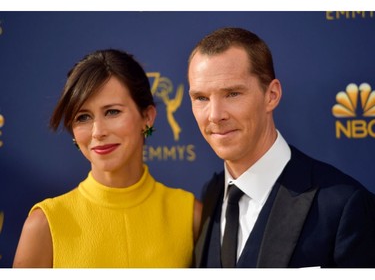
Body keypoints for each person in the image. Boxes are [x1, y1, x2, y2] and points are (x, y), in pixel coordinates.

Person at [187, 27, 375, 268]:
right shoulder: (211, 194)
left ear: (271, 95)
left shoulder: (344, 206)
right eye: (201, 98)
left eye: (232, 94)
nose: (215, 115)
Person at [13, 49, 202, 268]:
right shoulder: (45, 224)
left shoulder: (190, 215)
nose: (97, 132)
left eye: (112, 112)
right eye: (83, 117)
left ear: (147, 117)